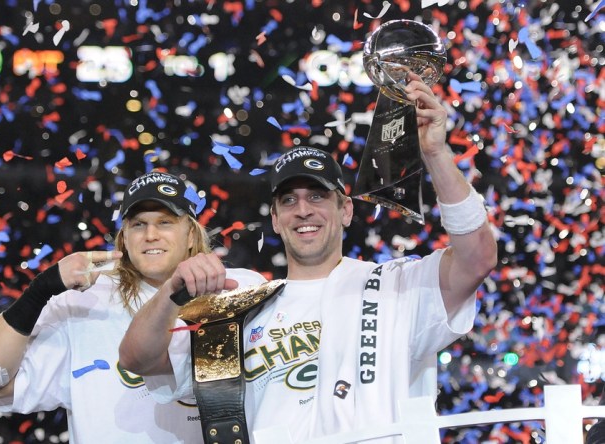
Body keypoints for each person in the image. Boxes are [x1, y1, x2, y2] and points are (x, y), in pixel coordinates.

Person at [119, 72, 498, 442]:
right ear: (276, 220)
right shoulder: (238, 310)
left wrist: (435, 152)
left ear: (345, 210)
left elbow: (477, 259)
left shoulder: (397, 287)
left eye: (317, 196)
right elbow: (139, 359)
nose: (303, 210)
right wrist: (172, 292)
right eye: (289, 200)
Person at [0, 171, 266, 443]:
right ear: (124, 238)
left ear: (191, 235)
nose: (151, 235)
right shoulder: (86, 300)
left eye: (165, 222)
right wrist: (39, 290)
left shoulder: (239, 290)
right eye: (138, 224)